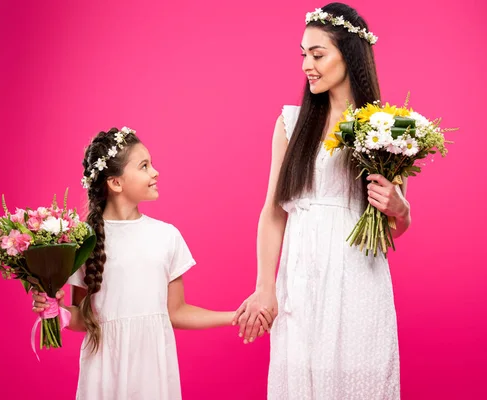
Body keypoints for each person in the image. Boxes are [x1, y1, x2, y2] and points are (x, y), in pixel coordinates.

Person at [233, 3, 411, 399]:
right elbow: (273, 212)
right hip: (299, 274)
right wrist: (265, 287)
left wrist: (400, 209)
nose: (306, 66)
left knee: (356, 379)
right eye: (303, 55)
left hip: (357, 275)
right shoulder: (291, 123)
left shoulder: (384, 126)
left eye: (317, 54)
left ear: (348, 55)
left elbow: (393, 226)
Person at [31, 127, 264, 399]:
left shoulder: (166, 236)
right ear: (115, 183)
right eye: (144, 166)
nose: (155, 172)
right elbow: (87, 317)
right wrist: (59, 313)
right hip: (104, 371)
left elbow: (175, 311)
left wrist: (235, 316)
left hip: (153, 369)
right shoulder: (84, 241)